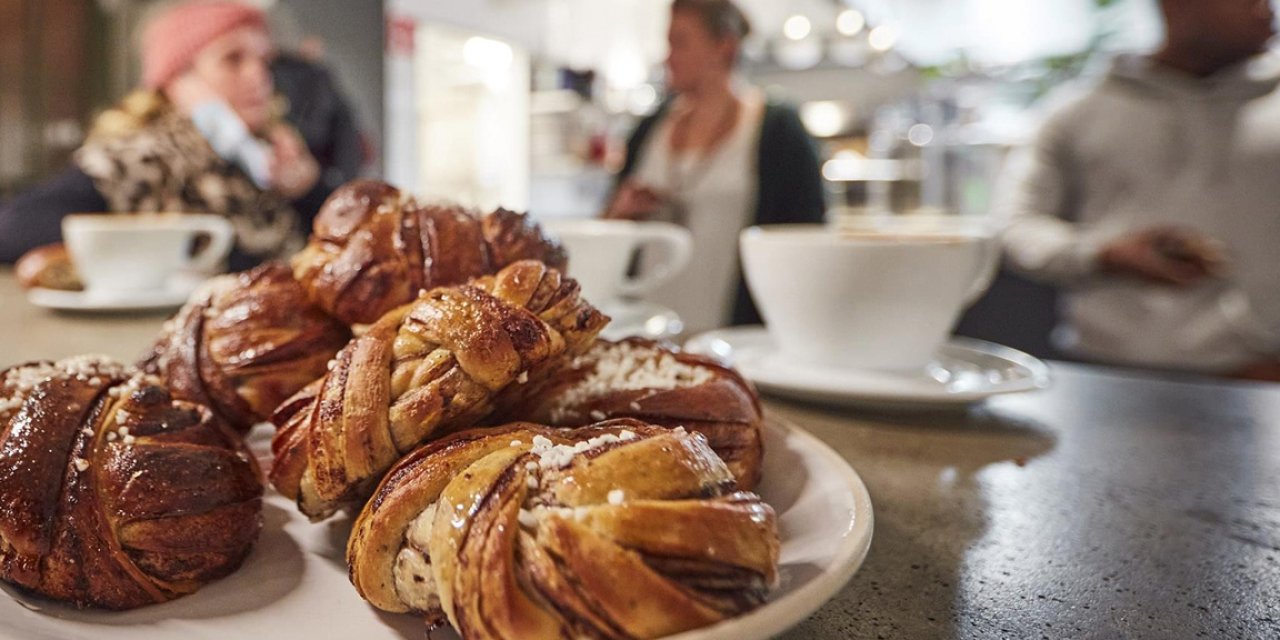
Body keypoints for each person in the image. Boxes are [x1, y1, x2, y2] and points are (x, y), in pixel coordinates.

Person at [998, 0, 1280, 381]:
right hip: (1105, 371)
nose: (1264, 10)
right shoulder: (1077, 113)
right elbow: (1015, 225)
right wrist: (1102, 254)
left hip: (1258, 373)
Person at [0, 0, 324, 271]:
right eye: (232, 59)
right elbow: (12, 229)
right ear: (179, 80)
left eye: (264, 60)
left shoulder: (274, 153)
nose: (260, 77)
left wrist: (307, 189)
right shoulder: (138, 158)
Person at [606, 0, 826, 332]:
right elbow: (608, 229)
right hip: (645, 333)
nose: (668, 56)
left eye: (679, 42)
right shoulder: (649, 128)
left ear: (723, 46)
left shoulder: (778, 131)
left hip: (735, 341)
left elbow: (805, 242)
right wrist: (620, 214)